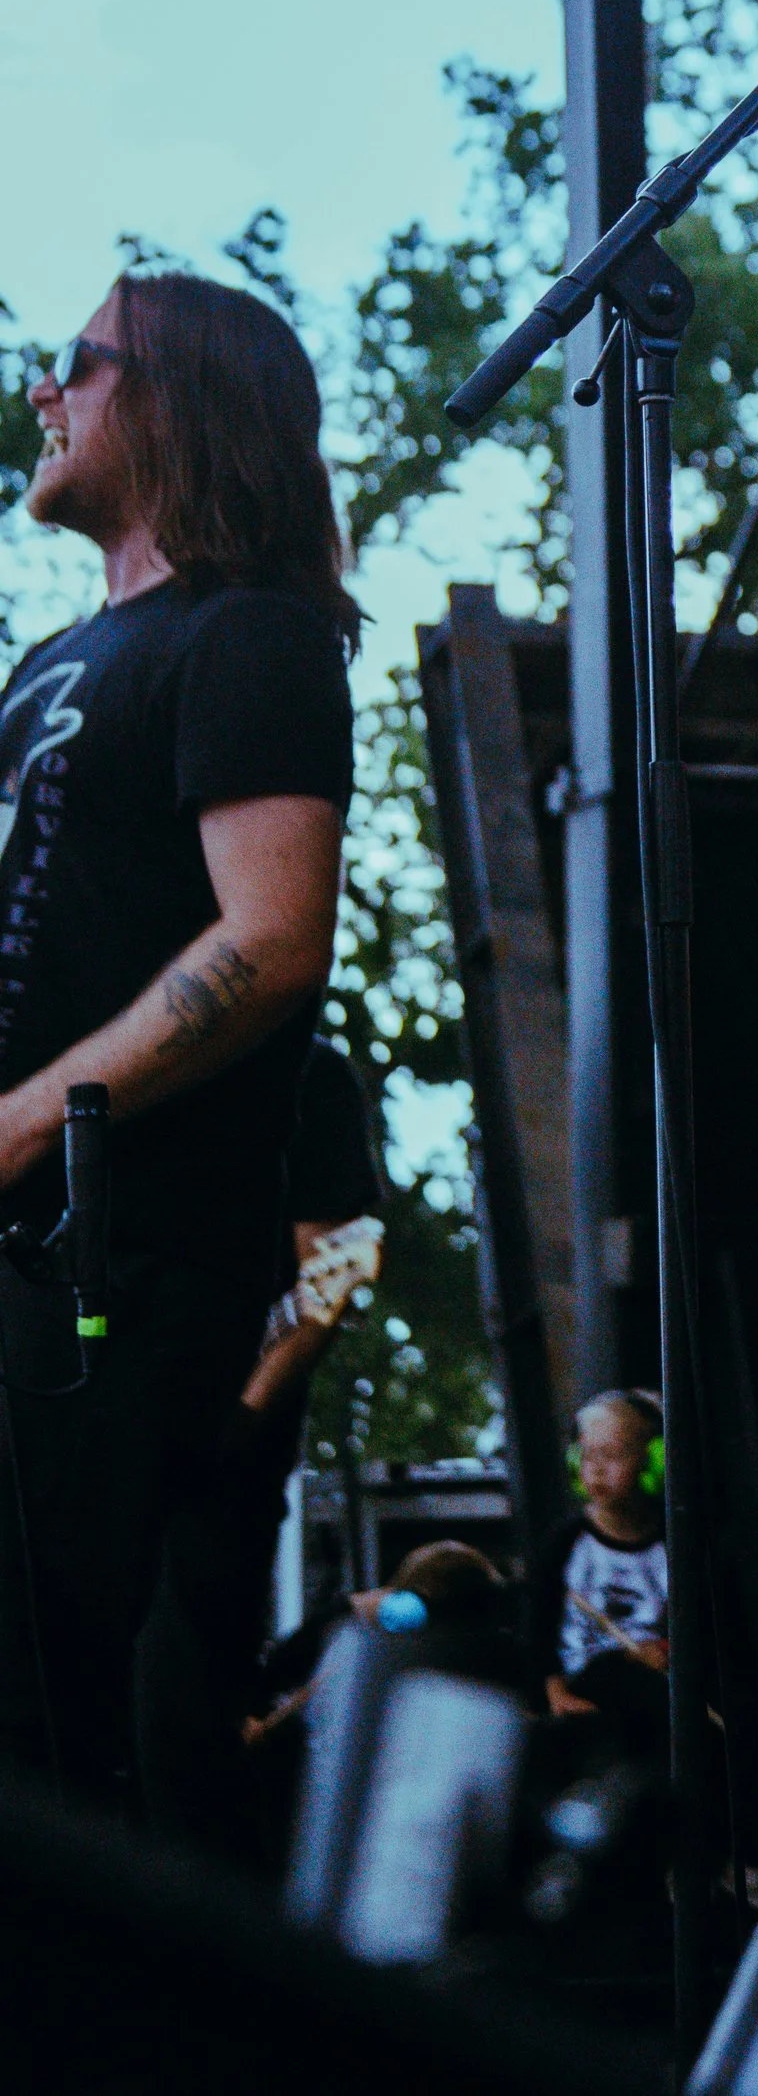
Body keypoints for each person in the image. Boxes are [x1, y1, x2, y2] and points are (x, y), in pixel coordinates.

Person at [0, 275, 353, 1814]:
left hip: (103, 1262)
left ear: (176, 397)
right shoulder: (49, 666)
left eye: (70, 362)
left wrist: (24, 1119)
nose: (39, 392)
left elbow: (270, 939)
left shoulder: (252, 636)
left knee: (41, 1721)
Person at [134, 1032, 387, 1840]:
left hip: (218, 1446)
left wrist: (244, 1414)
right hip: (88, 1414)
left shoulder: (306, 1071)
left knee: (187, 1687)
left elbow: (342, 1261)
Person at [538, 1387, 671, 1737]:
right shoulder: (567, 1542)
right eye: (586, 1456)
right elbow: (538, 1624)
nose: (596, 1469)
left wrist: (661, 1650)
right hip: (582, 1688)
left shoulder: (671, 1546)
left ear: (653, 1461)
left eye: (611, 1455)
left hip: (651, 1691)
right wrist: (555, 1692)